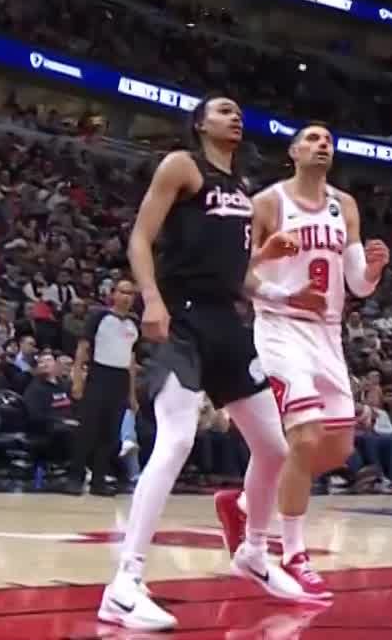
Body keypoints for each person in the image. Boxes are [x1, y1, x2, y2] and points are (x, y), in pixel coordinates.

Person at [99, 94, 299, 632]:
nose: (235, 116)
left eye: (238, 111)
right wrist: (151, 298)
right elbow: (140, 238)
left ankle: (253, 552)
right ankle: (124, 584)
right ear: (200, 123)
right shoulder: (182, 166)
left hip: (226, 324)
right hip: (181, 319)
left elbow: (239, 277)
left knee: (274, 447)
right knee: (177, 439)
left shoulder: (241, 189)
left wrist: (277, 286)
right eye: (223, 110)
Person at [217, 122, 389, 603]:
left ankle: (245, 503)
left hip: (327, 333)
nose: (322, 144)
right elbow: (237, 273)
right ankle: (294, 553)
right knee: (305, 438)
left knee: (336, 449)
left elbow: (357, 283)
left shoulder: (345, 205)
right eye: (311, 139)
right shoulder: (268, 203)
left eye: (328, 140)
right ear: (293, 151)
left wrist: (373, 270)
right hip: (280, 327)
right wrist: (284, 292)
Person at [67, 279, 140, 495]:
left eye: (131, 293)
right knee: (88, 429)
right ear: (113, 294)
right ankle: (75, 477)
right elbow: (83, 348)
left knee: (110, 433)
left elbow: (131, 361)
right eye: (123, 292)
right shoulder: (99, 317)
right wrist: (77, 379)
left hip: (120, 379)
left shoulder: (133, 324)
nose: (126, 297)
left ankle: (99, 480)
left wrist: (132, 395)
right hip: (99, 374)